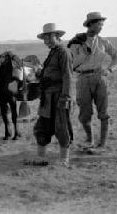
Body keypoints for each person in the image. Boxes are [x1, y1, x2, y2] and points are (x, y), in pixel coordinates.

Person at [68, 12, 117, 149]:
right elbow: (72, 64)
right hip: (83, 79)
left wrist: (110, 70)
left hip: (100, 78)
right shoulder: (76, 42)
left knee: (104, 113)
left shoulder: (104, 42)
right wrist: (84, 50)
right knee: (84, 115)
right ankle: (89, 139)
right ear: (90, 24)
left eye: (102, 24)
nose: (101, 27)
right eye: (99, 24)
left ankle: (102, 144)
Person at [34, 23, 74, 166]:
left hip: (59, 96)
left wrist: (66, 97)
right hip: (48, 97)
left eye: (50, 37)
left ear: (57, 36)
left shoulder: (64, 52)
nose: (47, 41)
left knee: (61, 127)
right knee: (42, 126)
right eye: (45, 38)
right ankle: (41, 157)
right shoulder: (53, 52)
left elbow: (68, 76)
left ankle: (64, 159)